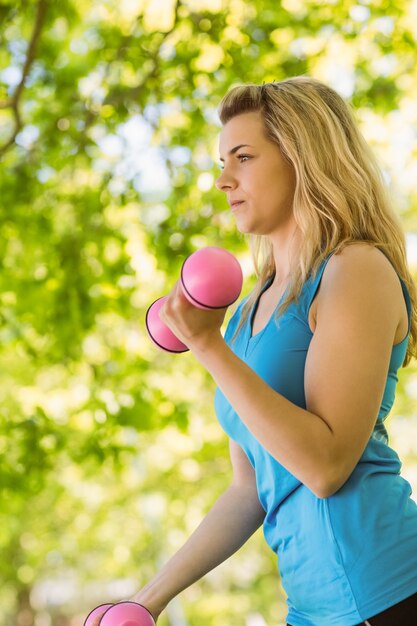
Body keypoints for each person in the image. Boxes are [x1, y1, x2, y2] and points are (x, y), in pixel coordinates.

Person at [131, 77, 417, 625]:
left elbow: (326, 465)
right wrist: (149, 599)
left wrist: (208, 347)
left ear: (302, 159)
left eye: (243, 157)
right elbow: (250, 490)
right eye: (221, 161)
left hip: (384, 590)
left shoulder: (355, 269)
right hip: (309, 607)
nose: (223, 180)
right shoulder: (245, 314)